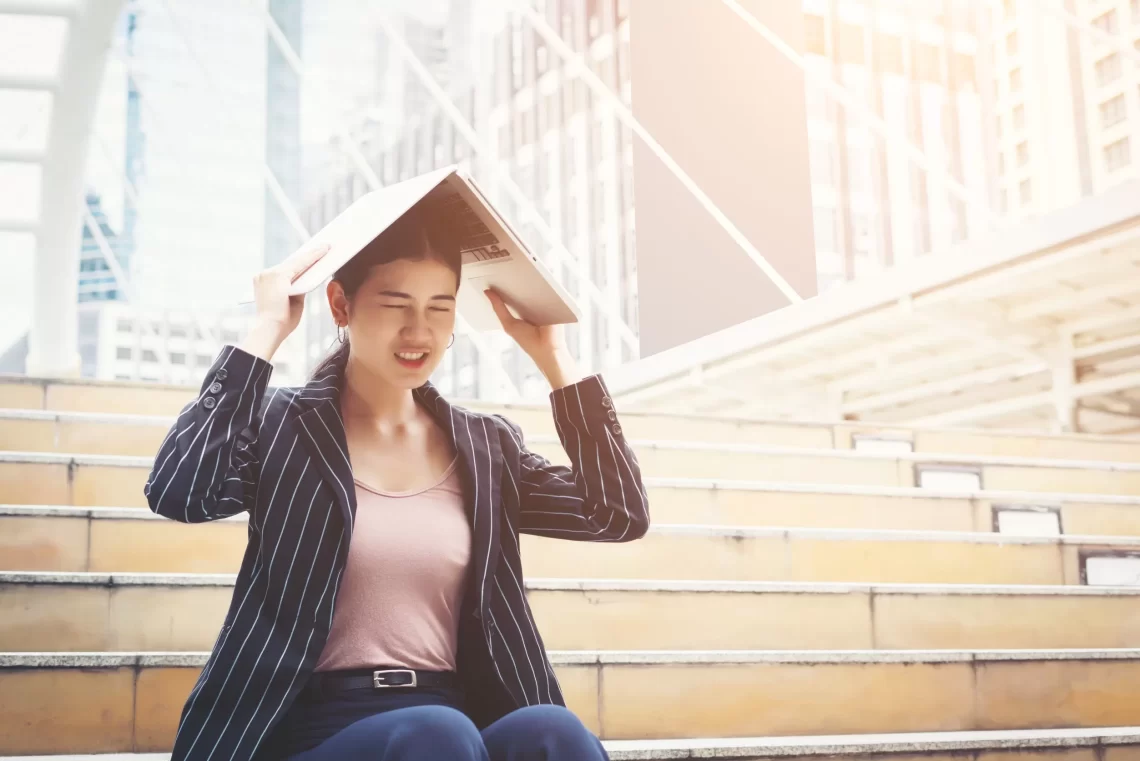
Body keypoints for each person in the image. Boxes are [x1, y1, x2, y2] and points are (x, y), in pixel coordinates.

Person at [144, 205, 650, 761]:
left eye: (440, 308)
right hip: (306, 727)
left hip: (453, 720)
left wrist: (555, 360)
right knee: (435, 734)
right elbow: (179, 491)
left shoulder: (486, 447)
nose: (419, 331)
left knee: (554, 732)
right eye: (395, 304)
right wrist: (267, 329)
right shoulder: (280, 426)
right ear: (341, 304)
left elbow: (616, 514)